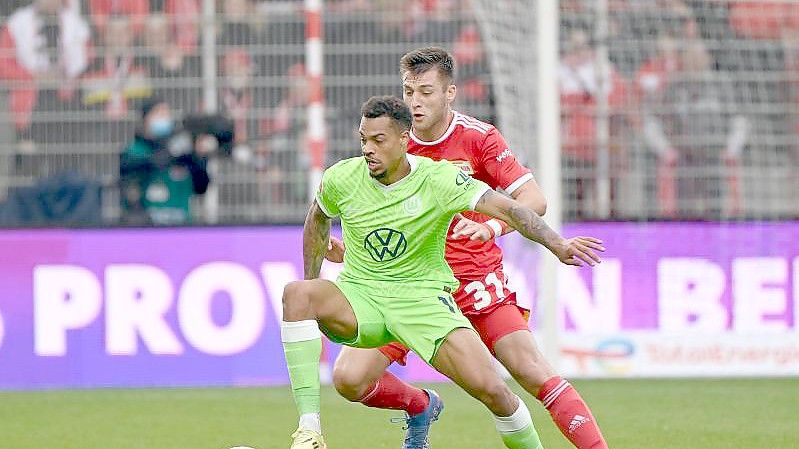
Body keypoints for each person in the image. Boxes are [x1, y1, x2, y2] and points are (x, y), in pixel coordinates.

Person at [281, 95, 605, 449]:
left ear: (405, 139)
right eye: (363, 139)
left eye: (378, 140)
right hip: (364, 297)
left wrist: (557, 244)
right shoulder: (342, 176)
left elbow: (514, 210)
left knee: (495, 391)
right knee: (299, 295)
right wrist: (315, 273)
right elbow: (317, 215)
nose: (368, 150)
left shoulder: (439, 179)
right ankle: (309, 430)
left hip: (422, 302)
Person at [119, 98, 210, 225]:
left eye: (166, 114)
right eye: (159, 114)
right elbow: (130, 171)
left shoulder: (184, 152)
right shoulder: (135, 151)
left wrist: (199, 158)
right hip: (145, 225)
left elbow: (201, 187)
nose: (164, 118)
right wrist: (170, 153)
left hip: (182, 225)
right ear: (145, 119)